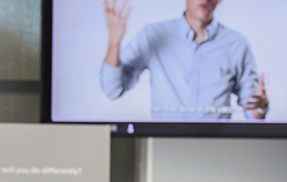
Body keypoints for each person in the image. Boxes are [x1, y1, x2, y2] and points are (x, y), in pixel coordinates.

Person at [101, 0, 269, 120]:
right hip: (165, 147)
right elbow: (112, 89)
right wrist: (114, 42)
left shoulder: (237, 44)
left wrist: (259, 108)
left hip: (218, 148)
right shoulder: (154, 35)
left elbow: (253, 113)